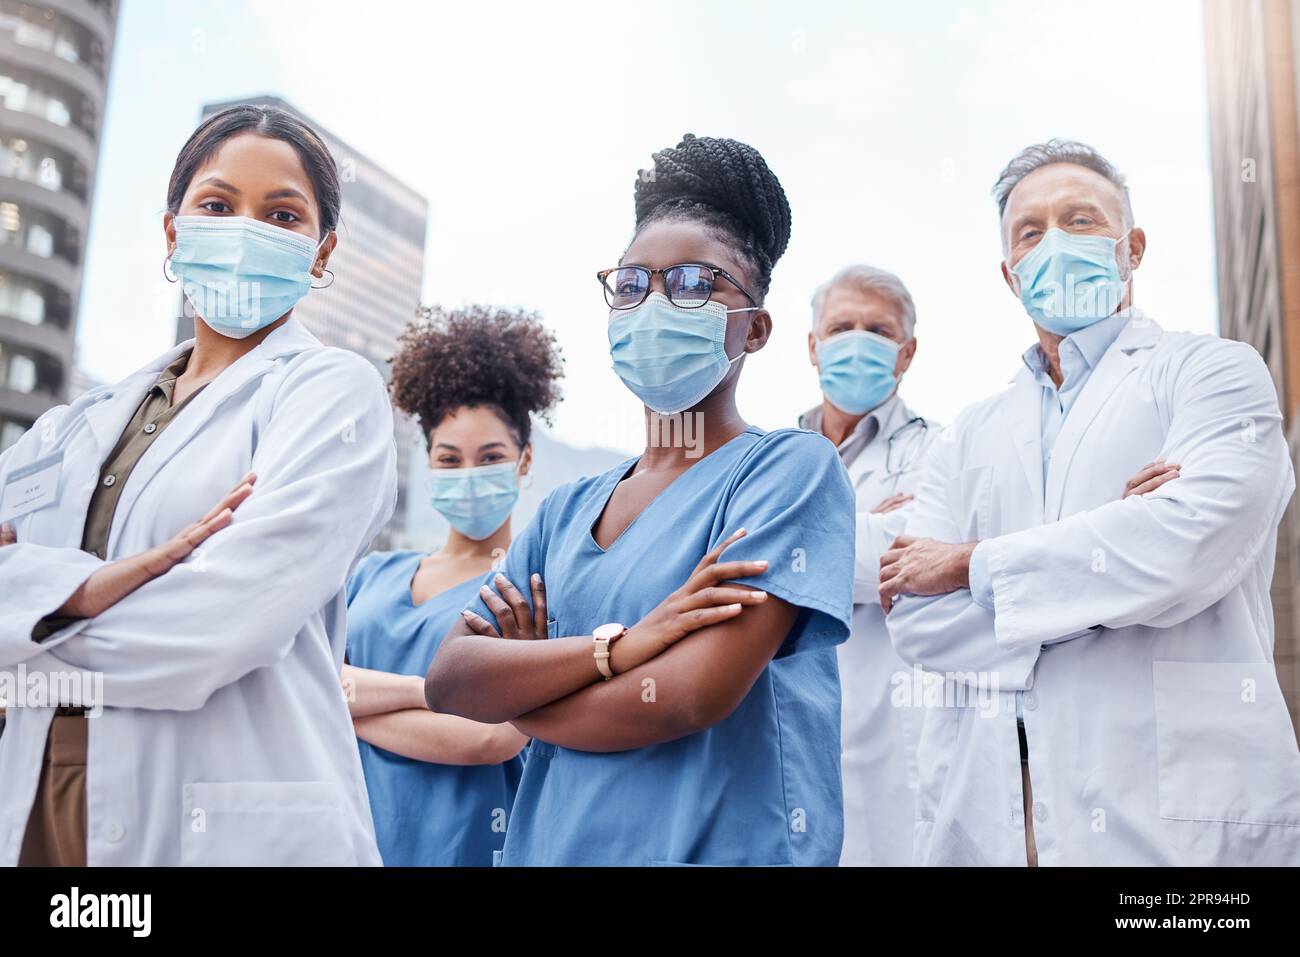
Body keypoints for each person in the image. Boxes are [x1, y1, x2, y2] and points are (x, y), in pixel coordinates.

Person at [425, 134, 856, 867]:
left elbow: (689, 695)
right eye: (632, 283)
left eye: (694, 283)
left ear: (753, 328)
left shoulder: (788, 470)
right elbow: (451, 679)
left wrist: (526, 693)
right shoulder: (565, 512)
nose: (655, 302)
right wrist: (621, 646)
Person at [880, 139, 1300, 866]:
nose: (1056, 244)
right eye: (1031, 232)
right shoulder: (968, 433)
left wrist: (971, 565)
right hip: (1001, 811)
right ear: (1010, 274)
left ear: (1130, 247)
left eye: (1081, 220)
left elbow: (1189, 545)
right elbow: (915, 615)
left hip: (1175, 823)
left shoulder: (1213, 373)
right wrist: (1114, 556)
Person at [0, 105, 396, 866]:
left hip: (230, 829)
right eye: (217, 205)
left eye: (282, 214)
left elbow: (221, 625)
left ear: (321, 253)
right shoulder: (66, 429)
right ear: (174, 232)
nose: (246, 229)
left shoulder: (332, 395)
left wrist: (31, 631)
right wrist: (84, 593)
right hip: (41, 817)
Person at [343, 306, 563, 865]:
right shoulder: (369, 577)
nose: (468, 474)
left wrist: (349, 705)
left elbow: (492, 739)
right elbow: (306, 688)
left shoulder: (531, 590)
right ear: (428, 464)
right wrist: (436, 696)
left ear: (525, 459)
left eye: (490, 457)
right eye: (450, 459)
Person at [800, 264, 936, 867]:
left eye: (878, 330)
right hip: (789, 730)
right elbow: (722, 560)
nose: (858, 340)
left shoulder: (940, 450)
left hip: (894, 731)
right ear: (812, 345)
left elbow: (910, 559)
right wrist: (861, 528)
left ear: (906, 353)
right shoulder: (774, 455)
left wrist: (784, 546)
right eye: (841, 326)